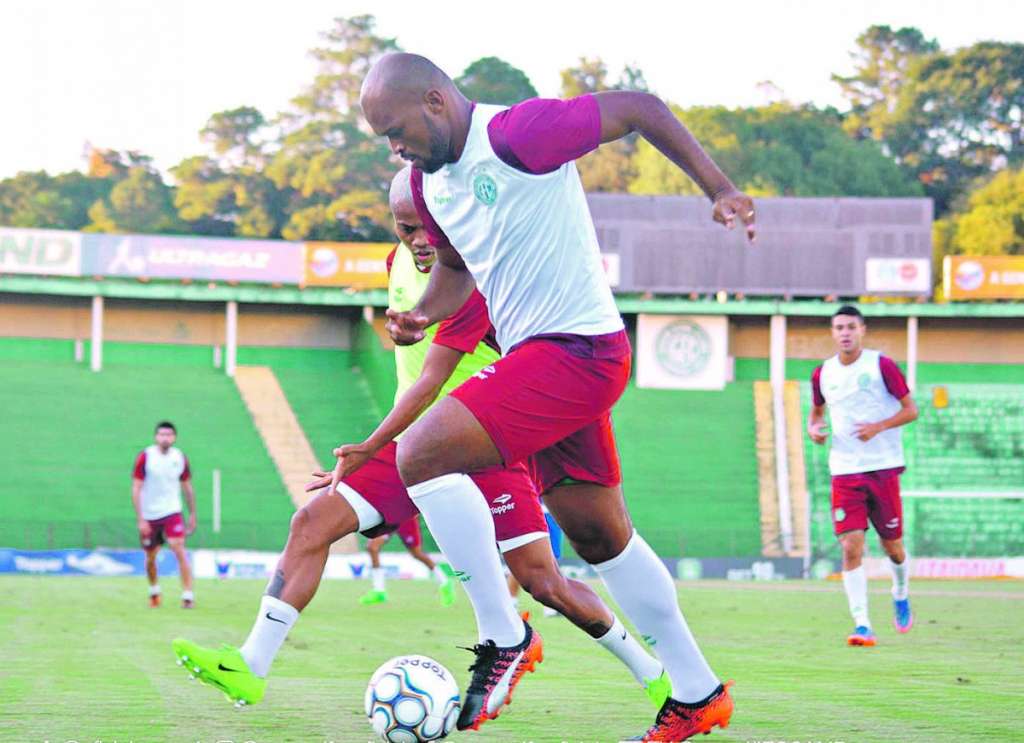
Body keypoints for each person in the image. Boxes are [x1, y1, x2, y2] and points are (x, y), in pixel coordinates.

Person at [172, 169, 665, 726]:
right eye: (407, 228)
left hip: (486, 444)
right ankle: (250, 665)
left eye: (432, 226)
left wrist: (369, 444)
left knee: (543, 582)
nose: (421, 239)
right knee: (311, 522)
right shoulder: (396, 264)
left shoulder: (473, 276)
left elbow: (432, 379)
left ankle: (654, 674)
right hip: (414, 445)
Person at [360, 52, 754, 741]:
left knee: (419, 453)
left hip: (578, 349)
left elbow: (639, 108)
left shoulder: (518, 134)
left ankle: (503, 633)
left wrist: (718, 187)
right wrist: (422, 313)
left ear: (434, 101)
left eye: (397, 130)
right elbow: (455, 268)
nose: (395, 148)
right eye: (384, 139)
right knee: (600, 537)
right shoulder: (427, 186)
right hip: (542, 362)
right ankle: (698, 692)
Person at [808, 305, 918, 646]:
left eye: (851, 327)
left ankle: (900, 591)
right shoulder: (822, 373)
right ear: (832, 332)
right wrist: (814, 429)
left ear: (862, 330)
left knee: (892, 547)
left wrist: (878, 426)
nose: (845, 333)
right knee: (850, 546)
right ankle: (862, 624)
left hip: (883, 467)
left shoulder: (881, 365)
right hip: (844, 470)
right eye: (839, 327)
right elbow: (816, 413)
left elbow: (911, 410)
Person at [132, 420, 196, 609]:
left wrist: (192, 513)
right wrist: (141, 519)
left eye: (168, 435)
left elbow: (187, 487)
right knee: (151, 556)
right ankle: (154, 591)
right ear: (156, 437)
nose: (165, 438)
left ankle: (188, 595)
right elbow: (136, 488)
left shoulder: (179, 457)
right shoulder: (146, 457)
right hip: (150, 515)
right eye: (161, 435)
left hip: (172, 511)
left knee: (179, 548)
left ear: (174, 437)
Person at [359, 515, 456, 607]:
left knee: (417, 554)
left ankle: (445, 582)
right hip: (390, 517)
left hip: (406, 519)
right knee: (372, 547)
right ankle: (379, 591)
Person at [508, 500, 563, 619]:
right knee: (520, 558)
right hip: (529, 510)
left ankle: (551, 606)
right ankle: (510, 603)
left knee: (552, 558)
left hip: (551, 512)